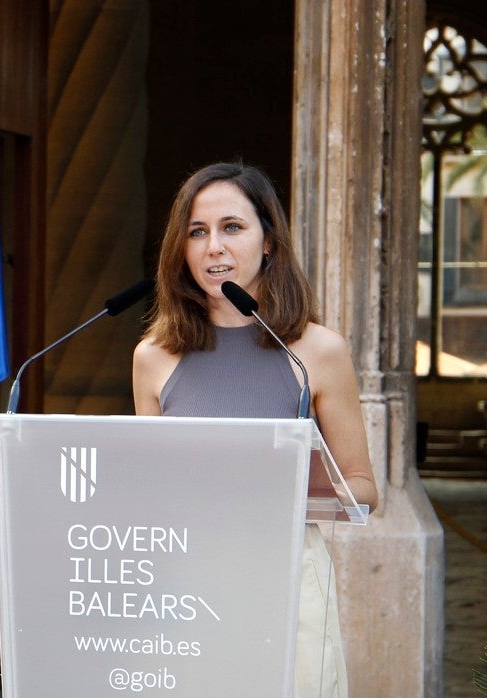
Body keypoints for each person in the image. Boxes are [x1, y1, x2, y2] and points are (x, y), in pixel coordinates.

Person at [132, 162, 378, 697]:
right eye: (197, 232)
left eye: (232, 227)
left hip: (286, 581)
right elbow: (151, 490)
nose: (213, 247)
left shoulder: (318, 351)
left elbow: (363, 488)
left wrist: (291, 487)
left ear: (268, 243)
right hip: (188, 581)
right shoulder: (153, 357)